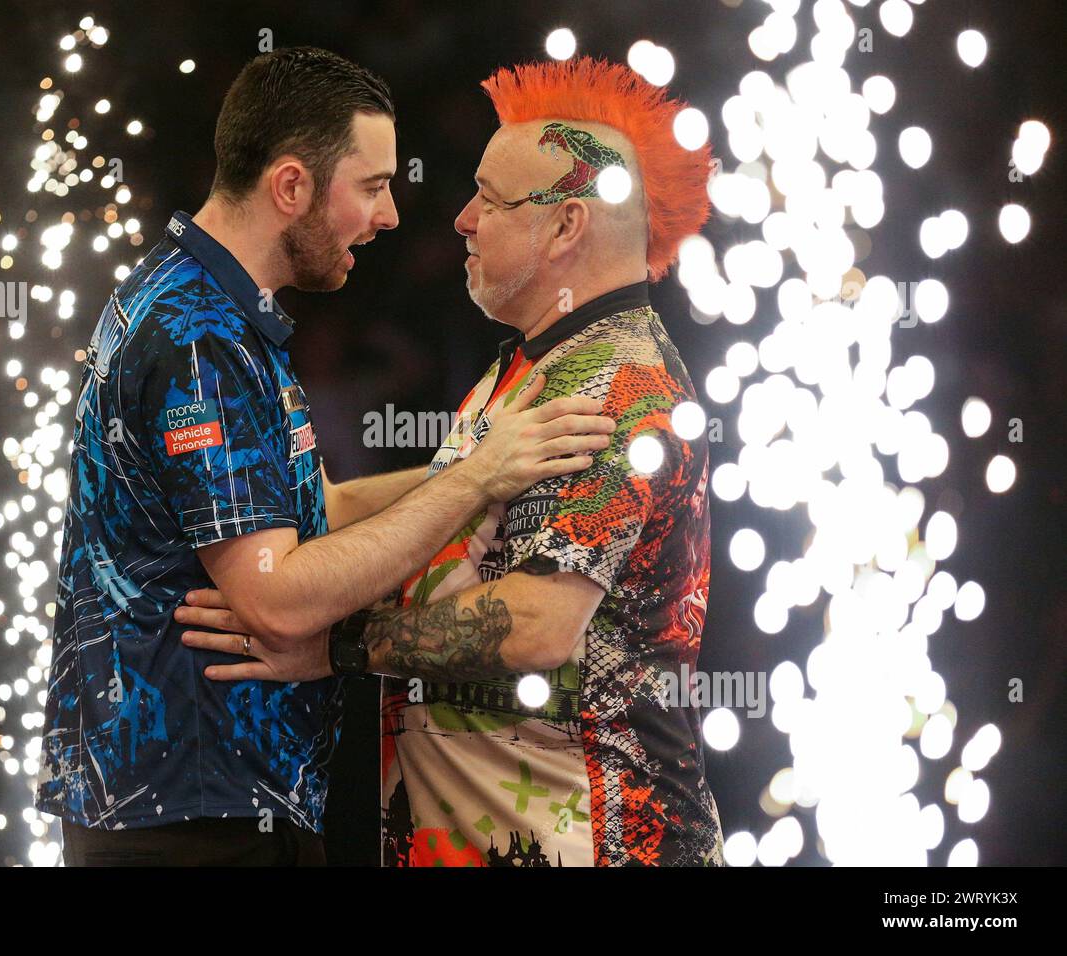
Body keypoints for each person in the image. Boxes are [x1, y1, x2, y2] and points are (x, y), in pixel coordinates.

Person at [36, 46, 614, 866]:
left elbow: (320, 510)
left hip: (209, 800)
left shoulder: (213, 309)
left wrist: (480, 461)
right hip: (189, 816)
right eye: (372, 187)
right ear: (292, 187)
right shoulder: (197, 336)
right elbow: (277, 599)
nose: (390, 218)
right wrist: (481, 477)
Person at [179, 56, 725, 866]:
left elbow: (540, 623)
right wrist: (293, 512)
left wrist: (334, 644)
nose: (462, 219)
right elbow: (448, 497)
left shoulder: (617, 384)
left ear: (566, 226)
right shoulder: (537, 364)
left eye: (490, 201)